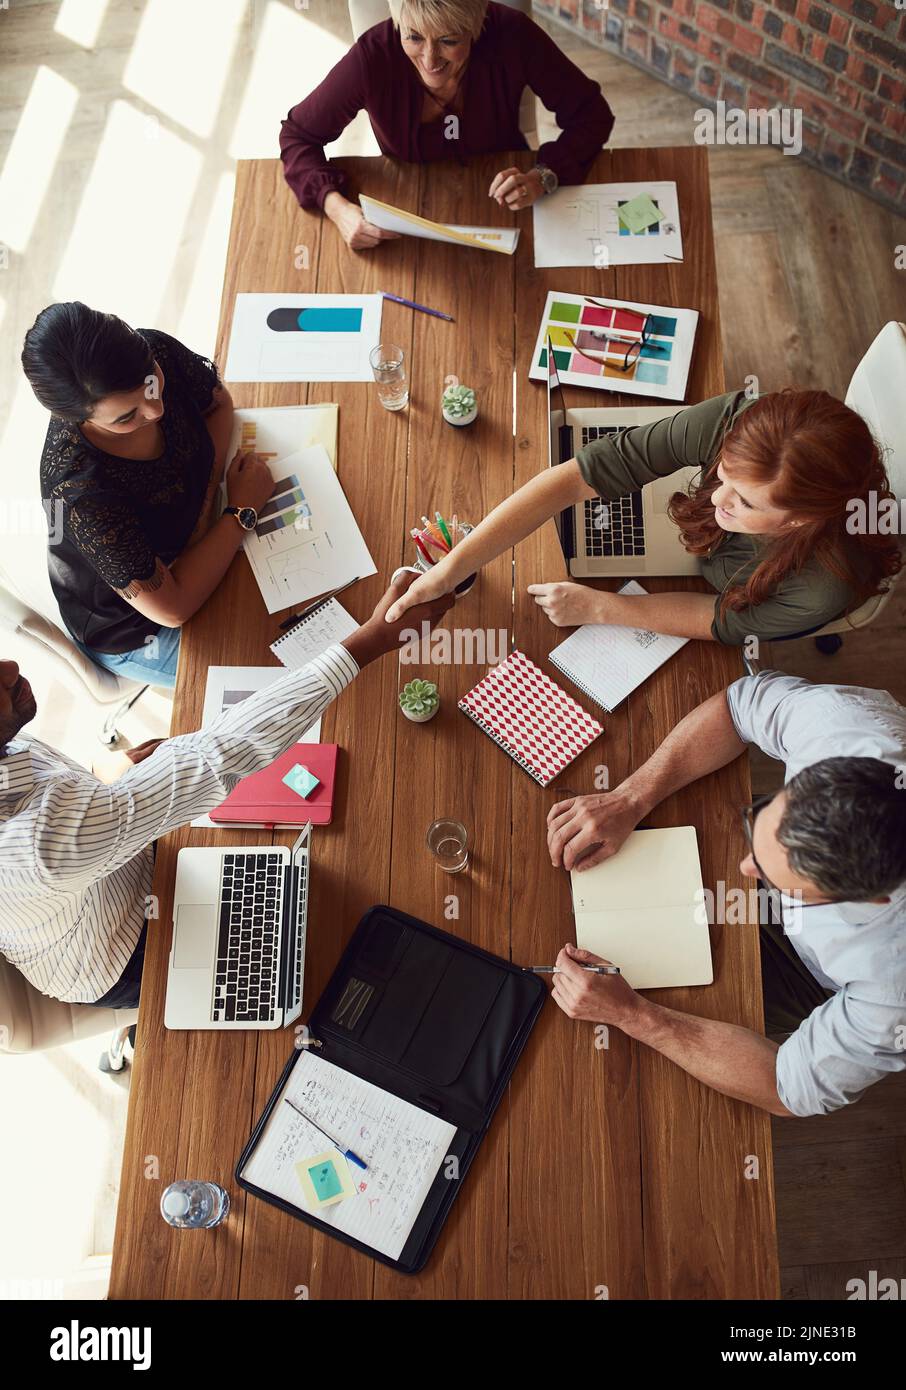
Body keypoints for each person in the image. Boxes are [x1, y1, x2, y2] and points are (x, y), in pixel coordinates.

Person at [0, 573, 453, 1007]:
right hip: (126, 947)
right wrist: (372, 639)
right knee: (324, 963)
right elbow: (220, 756)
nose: (12, 666)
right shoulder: (38, 849)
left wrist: (106, 788)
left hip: (119, 861)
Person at [543, 671, 906, 1118]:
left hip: (810, 976)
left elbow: (785, 1087)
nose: (745, 870)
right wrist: (632, 798)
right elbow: (737, 708)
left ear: (870, 900)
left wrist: (633, 1015)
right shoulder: (842, 726)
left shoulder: (893, 991)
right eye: (764, 820)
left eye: (777, 879)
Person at [386, 388, 902, 645]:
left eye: (744, 502)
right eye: (721, 473)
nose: (717, 497)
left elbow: (714, 617)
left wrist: (603, 608)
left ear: (796, 522)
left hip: (732, 589)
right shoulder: (750, 429)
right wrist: (447, 572)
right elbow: (574, 478)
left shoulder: (820, 588)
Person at [23, 302, 274, 690]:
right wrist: (240, 511)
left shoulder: (153, 351)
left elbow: (218, 404)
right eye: (126, 417)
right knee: (278, 671)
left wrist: (206, 503)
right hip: (139, 629)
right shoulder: (80, 494)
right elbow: (172, 611)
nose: (155, 410)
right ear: (81, 418)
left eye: (153, 383)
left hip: (199, 541)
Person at [280, 0, 614, 250]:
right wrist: (336, 207)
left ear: (475, 26)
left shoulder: (513, 34)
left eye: (448, 41)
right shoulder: (373, 57)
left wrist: (544, 176)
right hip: (406, 211)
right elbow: (298, 136)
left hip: (504, 203)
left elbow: (591, 115)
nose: (429, 60)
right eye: (413, 38)